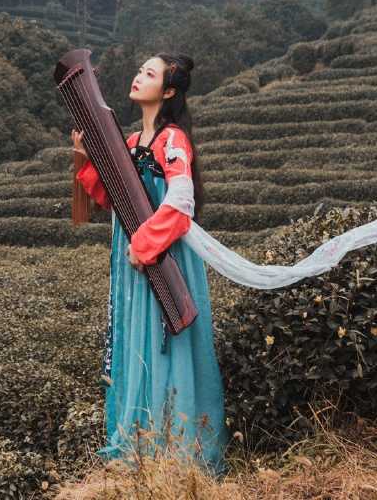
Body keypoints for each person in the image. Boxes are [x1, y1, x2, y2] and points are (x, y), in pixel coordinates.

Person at [73, 53, 227, 472]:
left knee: (165, 344)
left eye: (150, 73)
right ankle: (138, 446)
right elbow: (113, 200)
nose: (139, 77)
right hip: (131, 257)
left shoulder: (172, 139)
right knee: (133, 338)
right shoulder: (129, 143)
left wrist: (146, 245)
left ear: (170, 90)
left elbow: (181, 200)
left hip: (162, 255)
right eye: (140, 70)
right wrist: (87, 157)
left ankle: (174, 453)